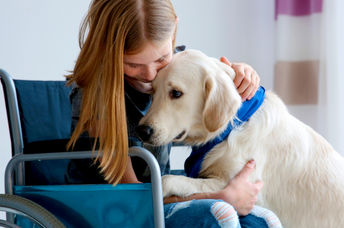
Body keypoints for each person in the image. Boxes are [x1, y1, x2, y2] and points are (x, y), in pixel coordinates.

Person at [67, 0, 282, 227]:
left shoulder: (175, 68)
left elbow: (211, 80)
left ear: (173, 33)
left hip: (160, 196)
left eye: (160, 59)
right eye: (133, 64)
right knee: (221, 212)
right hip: (113, 208)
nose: (150, 75)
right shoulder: (96, 96)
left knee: (264, 220)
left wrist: (241, 72)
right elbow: (131, 195)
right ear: (108, 49)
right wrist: (221, 196)